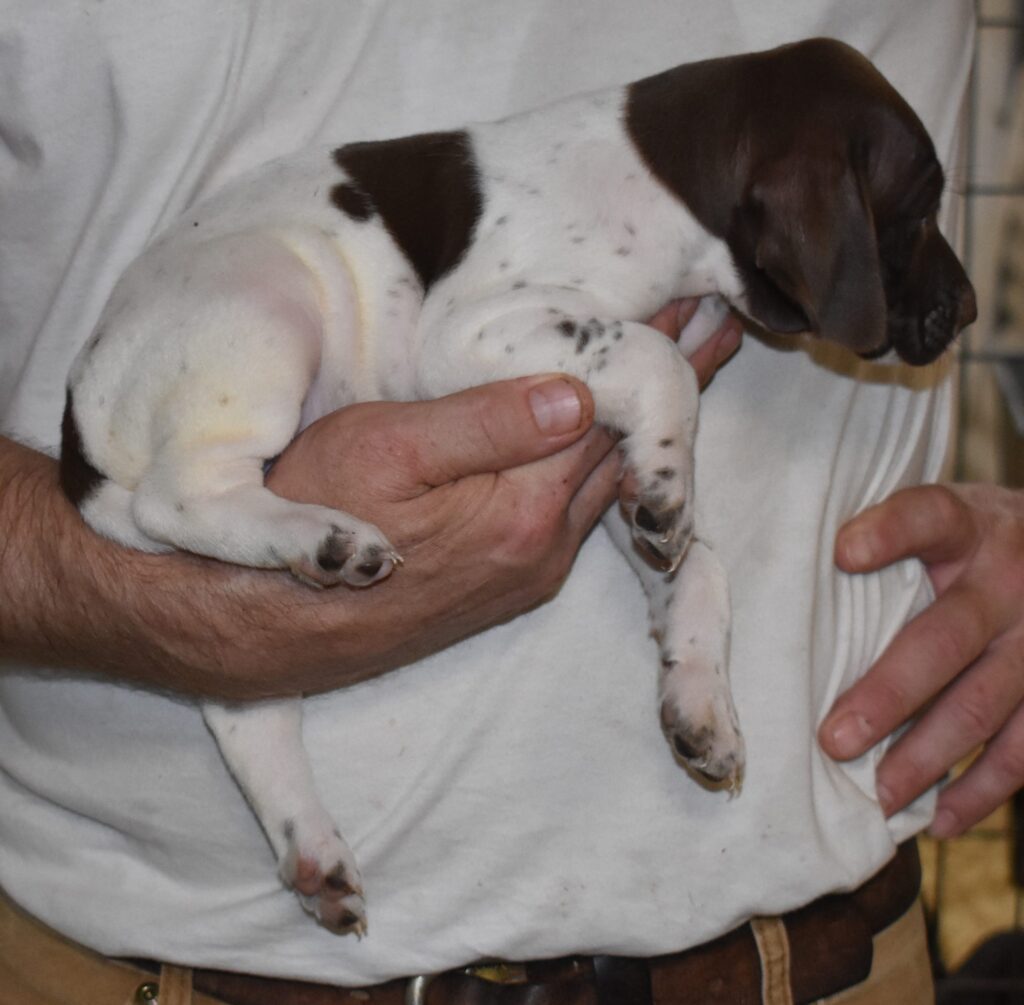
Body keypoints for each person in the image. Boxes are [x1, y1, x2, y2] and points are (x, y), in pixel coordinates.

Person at [0, 1, 1021, 1003]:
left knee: (681, 553)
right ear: (805, 226)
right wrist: (651, 375)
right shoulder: (591, 208)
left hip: (816, 954)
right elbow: (463, 343)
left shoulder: (644, 214)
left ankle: (300, 825)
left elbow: (618, 481)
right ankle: (204, 500)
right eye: (904, 224)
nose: (945, 277)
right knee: (258, 405)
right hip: (144, 952)